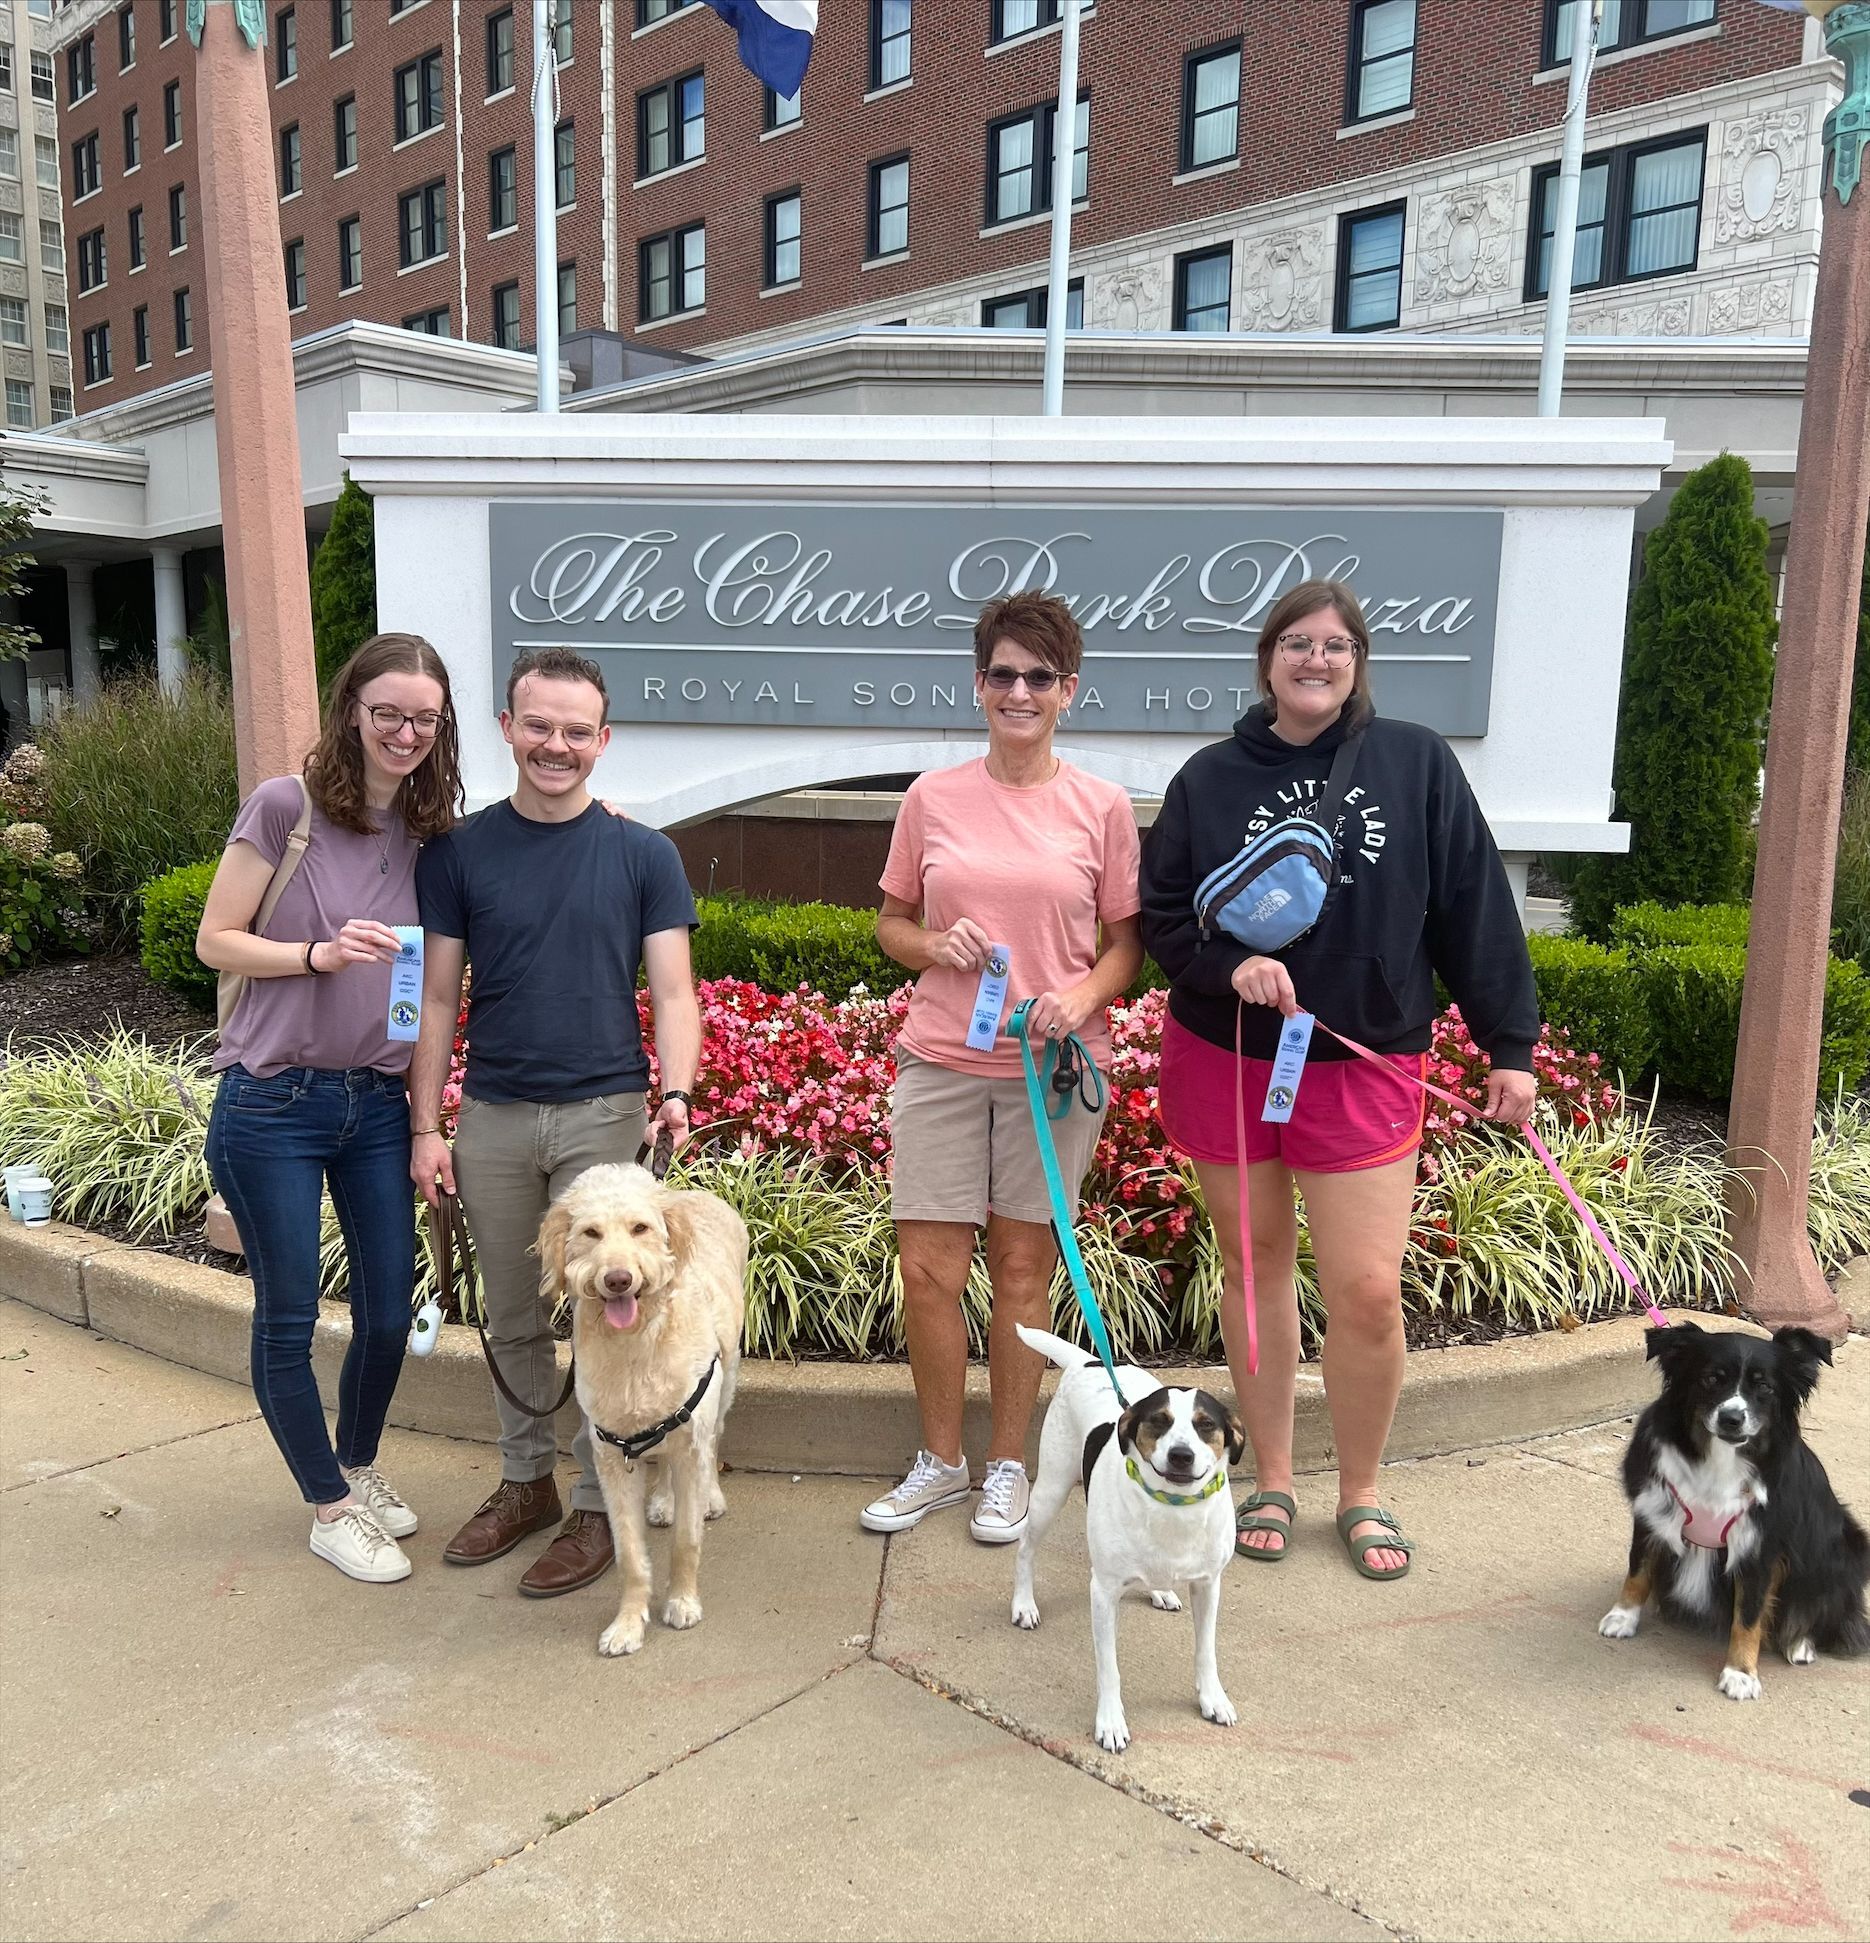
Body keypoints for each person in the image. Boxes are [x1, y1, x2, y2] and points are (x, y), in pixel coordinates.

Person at [1140, 579, 1537, 1581]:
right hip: (1229, 1055)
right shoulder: (1209, 778)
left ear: (1356, 662)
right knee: (1255, 1265)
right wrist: (1228, 965)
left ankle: (1360, 1487)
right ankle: (1270, 1476)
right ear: (1267, 659)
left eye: (1334, 645)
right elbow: (1163, 916)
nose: (1314, 659)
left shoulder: (1414, 761)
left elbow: (1472, 903)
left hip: (1363, 1060)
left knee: (1366, 1291)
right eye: (1296, 642)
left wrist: (1510, 1043)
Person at [409, 646, 701, 1600]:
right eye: (538, 725)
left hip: (604, 1114)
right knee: (513, 1314)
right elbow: (437, 998)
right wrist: (426, 1125)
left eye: (577, 731)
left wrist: (677, 1091)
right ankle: (525, 1482)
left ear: (603, 739)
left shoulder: (644, 854)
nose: (556, 745)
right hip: (492, 1116)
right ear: (508, 727)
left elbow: (674, 990)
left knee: (611, 1317)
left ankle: (596, 1499)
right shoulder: (458, 852)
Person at [861, 591, 1143, 1544]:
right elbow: (891, 923)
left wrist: (1083, 996)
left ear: (1069, 689)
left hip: (1053, 1067)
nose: (1019, 692)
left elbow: (1127, 944)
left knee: (1024, 1266)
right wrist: (932, 944)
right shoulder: (931, 798)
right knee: (928, 1269)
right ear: (979, 685)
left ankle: (1009, 1465)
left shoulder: (1101, 807)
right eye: (1002, 675)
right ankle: (942, 1461)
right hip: (943, 1058)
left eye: (1039, 676)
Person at [197, 633, 464, 1584]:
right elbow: (216, 938)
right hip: (273, 1100)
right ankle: (330, 1505)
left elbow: (433, 983)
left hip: (378, 1103)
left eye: (424, 717)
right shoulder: (287, 806)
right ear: (351, 707)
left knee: (387, 1313)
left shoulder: (429, 836)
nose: (405, 731)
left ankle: (356, 1463)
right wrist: (316, 954)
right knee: (291, 1315)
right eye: (387, 711)